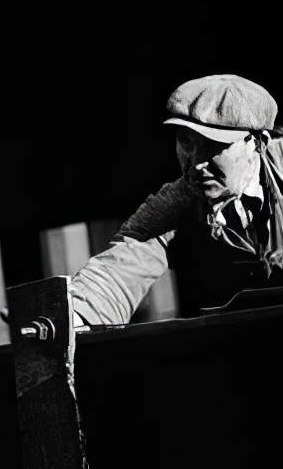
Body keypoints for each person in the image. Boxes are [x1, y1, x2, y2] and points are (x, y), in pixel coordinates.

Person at [72, 73, 283, 325]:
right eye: (186, 142)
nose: (195, 163)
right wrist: (75, 316)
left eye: (213, 145)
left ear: (258, 143)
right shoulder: (179, 199)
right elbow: (125, 261)